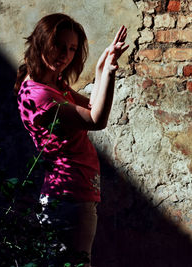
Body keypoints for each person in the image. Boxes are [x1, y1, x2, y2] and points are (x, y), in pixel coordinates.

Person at [14, 13, 128, 266]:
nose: (65, 55)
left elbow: (90, 104)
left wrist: (101, 67)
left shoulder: (54, 85)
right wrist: (108, 73)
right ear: (41, 43)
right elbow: (96, 119)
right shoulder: (41, 97)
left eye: (72, 49)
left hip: (74, 194)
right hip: (68, 196)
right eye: (59, 46)